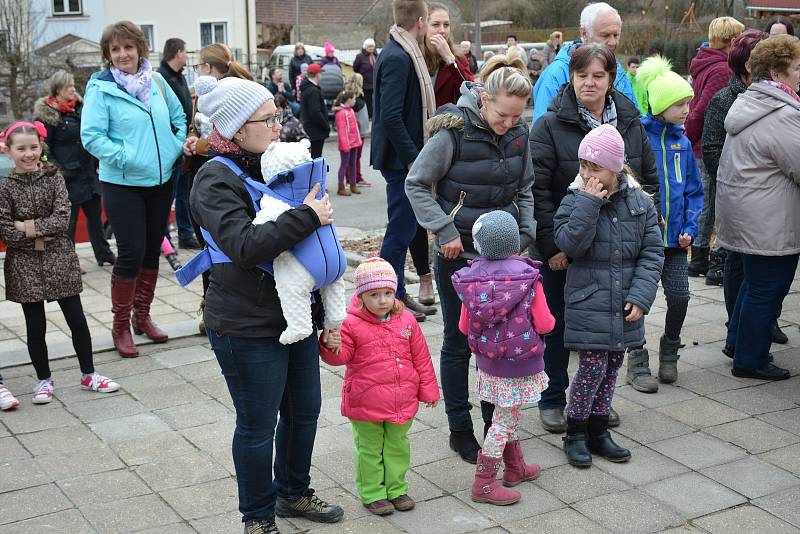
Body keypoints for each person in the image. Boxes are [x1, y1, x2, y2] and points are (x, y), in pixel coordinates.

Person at [189, 75, 345, 533]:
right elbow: (244, 245)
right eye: (268, 119)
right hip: (244, 324)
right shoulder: (213, 179)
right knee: (257, 427)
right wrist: (309, 215)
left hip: (292, 317)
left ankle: (293, 492)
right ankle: (256, 516)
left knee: (304, 412)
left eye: (278, 115)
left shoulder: (275, 161)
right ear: (237, 129)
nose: (279, 125)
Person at [406, 50, 535, 463]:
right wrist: (444, 229)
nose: (509, 124)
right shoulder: (452, 132)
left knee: (496, 343)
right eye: (502, 116)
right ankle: (460, 429)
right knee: (459, 341)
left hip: (503, 257)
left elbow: (526, 189)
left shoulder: (519, 134)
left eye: (517, 117)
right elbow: (417, 184)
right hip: (458, 256)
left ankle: (493, 424)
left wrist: (525, 233)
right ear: (484, 100)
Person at [529, 43, 660, 432]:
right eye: (582, 74)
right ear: (571, 76)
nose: (589, 82)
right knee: (557, 326)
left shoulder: (630, 122)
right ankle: (553, 398)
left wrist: (642, 232)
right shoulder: (551, 124)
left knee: (607, 328)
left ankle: (595, 403)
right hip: (564, 244)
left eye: (598, 75)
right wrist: (553, 246)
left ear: (611, 78)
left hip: (614, 249)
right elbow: (537, 190)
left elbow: (647, 178)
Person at [555, 124, 663, 467]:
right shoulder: (575, 198)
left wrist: (642, 295)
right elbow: (569, 243)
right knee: (591, 368)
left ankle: (599, 430)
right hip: (590, 301)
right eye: (583, 165)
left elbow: (652, 252)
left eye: (595, 167)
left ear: (616, 168)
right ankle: (575, 432)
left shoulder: (640, 203)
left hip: (624, 302)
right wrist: (588, 203)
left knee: (613, 366)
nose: (587, 173)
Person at [81, 21, 186, 359]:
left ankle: (143, 317)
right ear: (108, 55)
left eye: (128, 47)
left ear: (140, 48)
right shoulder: (101, 88)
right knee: (130, 252)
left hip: (161, 180)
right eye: (115, 49)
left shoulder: (156, 81)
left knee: (152, 248)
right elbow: (92, 137)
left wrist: (174, 145)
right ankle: (121, 325)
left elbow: (179, 116)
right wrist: (128, 157)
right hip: (122, 182)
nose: (123, 54)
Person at [0, 121, 121, 405]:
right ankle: (44, 378)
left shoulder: (54, 177)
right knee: (35, 325)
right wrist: (40, 231)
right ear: (9, 151)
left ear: (41, 147)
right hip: (24, 265)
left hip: (59, 258)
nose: (28, 154)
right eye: (21, 149)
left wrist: (26, 227)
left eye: (33, 147)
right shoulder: (5, 188)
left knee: (77, 320)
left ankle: (88, 373)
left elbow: (61, 220)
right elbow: (5, 229)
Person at [319, 257, 439, 516]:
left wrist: (428, 390)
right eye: (374, 294)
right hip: (366, 402)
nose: (382, 300)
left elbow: (421, 357)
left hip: (401, 399)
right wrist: (330, 345)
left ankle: (396, 488)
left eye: (387, 293)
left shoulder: (406, 320)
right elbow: (340, 357)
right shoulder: (350, 324)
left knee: (397, 446)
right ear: (361, 296)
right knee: (369, 450)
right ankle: (373, 492)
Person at [450, 211, 553, 505]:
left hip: (489, 364)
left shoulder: (471, 281)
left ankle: (515, 467)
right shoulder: (528, 277)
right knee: (504, 420)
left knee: (508, 414)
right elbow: (544, 323)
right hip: (521, 362)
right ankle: (483, 483)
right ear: (515, 243)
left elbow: (461, 326)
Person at [715, 34, 800, 382]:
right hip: (768, 219)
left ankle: (738, 342)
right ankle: (750, 358)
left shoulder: (754, 103)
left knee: (755, 284)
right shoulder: (781, 114)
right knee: (767, 288)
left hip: (749, 213)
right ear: (778, 73)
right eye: (796, 67)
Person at [699, 30, 782, 343]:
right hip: (737, 194)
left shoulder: (777, 97)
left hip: (766, 197)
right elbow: (711, 148)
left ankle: (762, 323)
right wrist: (738, 181)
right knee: (737, 262)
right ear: (748, 63)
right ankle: (738, 323)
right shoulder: (725, 98)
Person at [637, 55, 704, 388]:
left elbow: (694, 192)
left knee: (680, 297)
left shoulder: (683, 142)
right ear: (660, 105)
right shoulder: (638, 138)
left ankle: (669, 350)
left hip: (676, 243)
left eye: (688, 103)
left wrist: (690, 228)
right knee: (635, 302)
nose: (686, 110)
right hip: (643, 242)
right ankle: (636, 356)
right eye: (680, 104)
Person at [371, 0, 437, 323]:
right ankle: (385, 297)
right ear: (421, 21)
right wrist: (413, 159)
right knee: (400, 231)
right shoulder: (398, 56)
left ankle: (395, 294)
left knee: (406, 228)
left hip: (403, 158)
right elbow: (391, 116)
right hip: (401, 161)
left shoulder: (400, 50)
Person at [182, 42, 254, 335]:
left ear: (209, 68)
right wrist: (190, 140)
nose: (198, 71)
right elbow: (195, 126)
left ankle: (225, 306)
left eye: (199, 65)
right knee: (208, 247)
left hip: (228, 176)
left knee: (225, 245)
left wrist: (199, 145)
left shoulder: (236, 92)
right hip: (202, 174)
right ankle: (209, 305)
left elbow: (228, 139)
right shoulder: (202, 94)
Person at [34, 70, 116, 270]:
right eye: (68, 86)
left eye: (73, 85)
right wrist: (55, 170)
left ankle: (103, 253)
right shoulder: (48, 114)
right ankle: (68, 260)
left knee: (96, 218)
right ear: (58, 89)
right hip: (67, 176)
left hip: (87, 173)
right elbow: (45, 146)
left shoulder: (80, 108)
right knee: (68, 223)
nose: (73, 89)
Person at [685, 16, 745, 285]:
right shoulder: (721, 69)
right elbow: (704, 110)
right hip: (706, 145)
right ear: (733, 41)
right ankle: (707, 260)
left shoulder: (704, 62)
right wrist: (690, 138)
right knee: (712, 204)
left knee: (707, 203)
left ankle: (699, 258)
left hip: (698, 143)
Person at [532, 3, 637, 124]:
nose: (613, 42)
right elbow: (541, 134)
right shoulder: (556, 74)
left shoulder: (618, 71)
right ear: (584, 33)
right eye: (605, 35)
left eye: (616, 35)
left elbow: (634, 120)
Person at [157, 37, 199, 251]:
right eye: (185, 51)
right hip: (171, 146)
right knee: (168, 195)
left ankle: (185, 232)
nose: (187, 55)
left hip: (185, 145)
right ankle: (163, 238)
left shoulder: (178, 77)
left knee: (184, 192)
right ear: (177, 53)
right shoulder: (161, 78)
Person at [425, 3, 475, 108]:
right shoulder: (414, 56)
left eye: (446, 25)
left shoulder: (459, 58)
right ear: (424, 27)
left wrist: (450, 59)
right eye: (435, 25)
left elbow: (471, 93)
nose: (442, 30)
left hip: (446, 121)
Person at [333, 90, 363, 196]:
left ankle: (353, 184)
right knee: (344, 164)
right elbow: (342, 131)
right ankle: (341, 187)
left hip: (354, 143)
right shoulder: (341, 113)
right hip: (346, 145)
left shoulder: (350, 110)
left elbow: (355, 128)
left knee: (352, 164)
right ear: (349, 100)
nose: (355, 101)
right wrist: (345, 145)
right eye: (354, 99)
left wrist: (358, 140)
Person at [344, 74, 371, 187]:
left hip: (358, 131)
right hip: (357, 132)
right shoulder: (353, 98)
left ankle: (352, 178)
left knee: (354, 156)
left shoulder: (353, 96)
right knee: (355, 156)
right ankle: (355, 178)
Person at [299, 63, 330, 159]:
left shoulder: (307, 88)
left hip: (311, 128)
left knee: (313, 157)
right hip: (316, 131)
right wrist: (325, 125)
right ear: (317, 75)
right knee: (316, 158)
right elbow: (315, 112)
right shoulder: (313, 91)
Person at [353, 38, 378, 117]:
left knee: (375, 100)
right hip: (365, 83)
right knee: (367, 100)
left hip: (375, 82)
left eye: (372, 46)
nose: (371, 48)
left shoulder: (377, 55)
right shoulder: (360, 56)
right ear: (365, 47)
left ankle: (374, 114)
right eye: (369, 46)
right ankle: (368, 115)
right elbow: (355, 68)